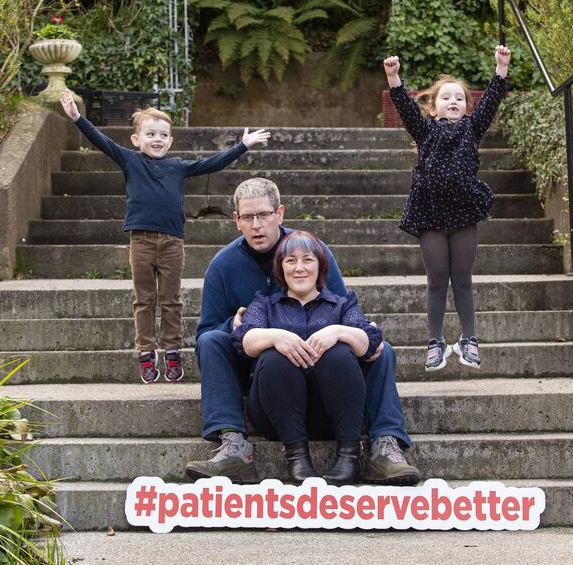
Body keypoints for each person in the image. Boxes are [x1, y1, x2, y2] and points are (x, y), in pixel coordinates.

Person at [184, 177, 420, 486]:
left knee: (381, 349)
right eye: (248, 217)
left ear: (279, 214)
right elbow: (211, 327)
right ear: (236, 220)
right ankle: (232, 444)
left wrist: (353, 331)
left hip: (323, 372)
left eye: (264, 215)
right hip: (260, 369)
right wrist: (240, 327)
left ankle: (383, 445)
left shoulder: (313, 250)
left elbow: (335, 305)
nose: (257, 225)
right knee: (211, 339)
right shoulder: (223, 265)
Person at [59, 90, 270, 384]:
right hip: (141, 241)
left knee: (171, 300)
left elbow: (212, 164)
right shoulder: (130, 160)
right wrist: (77, 118)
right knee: (144, 300)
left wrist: (242, 146)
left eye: (162, 135)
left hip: (172, 243)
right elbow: (101, 141)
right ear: (136, 139)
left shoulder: (178, 166)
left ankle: (172, 351)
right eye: (150, 134)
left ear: (170, 140)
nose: (156, 139)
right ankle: (146, 354)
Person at [383, 45, 512, 371]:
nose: (453, 101)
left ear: (467, 107)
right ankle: (436, 341)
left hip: (464, 212)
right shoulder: (425, 130)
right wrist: (394, 77)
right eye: (446, 98)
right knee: (437, 278)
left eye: (459, 98)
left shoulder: (472, 128)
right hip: (430, 214)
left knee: (463, 277)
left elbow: (491, 102)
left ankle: (469, 339)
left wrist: (500, 68)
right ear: (434, 107)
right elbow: (406, 109)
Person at [231, 231, 382, 486]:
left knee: (339, 352)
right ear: (280, 268)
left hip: (332, 414)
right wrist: (276, 336)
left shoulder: (342, 305)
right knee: (274, 356)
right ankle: (297, 457)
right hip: (277, 414)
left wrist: (338, 331)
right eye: (290, 261)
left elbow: (368, 343)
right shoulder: (265, 305)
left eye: (307, 260)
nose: (299, 268)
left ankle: (349, 456)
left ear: (321, 266)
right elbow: (244, 341)